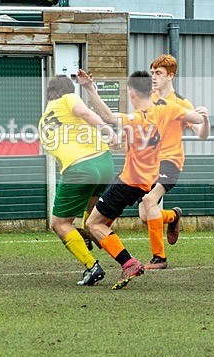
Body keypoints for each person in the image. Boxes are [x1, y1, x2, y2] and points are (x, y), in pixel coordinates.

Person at [78, 70, 204, 289]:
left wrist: (89, 87)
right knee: (104, 222)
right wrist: (200, 114)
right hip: (146, 180)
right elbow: (196, 118)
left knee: (93, 223)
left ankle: (128, 263)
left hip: (130, 181)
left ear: (132, 93)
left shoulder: (136, 118)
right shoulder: (166, 108)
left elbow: (108, 117)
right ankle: (104, 240)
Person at [39, 75, 116, 286]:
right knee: (93, 216)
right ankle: (98, 236)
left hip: (80, 168)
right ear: (68, 90)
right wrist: (107, 130)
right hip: (104, 162)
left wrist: (107, 129)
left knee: (59, 223)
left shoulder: (46, 118)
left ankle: (92, 266)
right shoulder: (68, 99)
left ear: (49, 94)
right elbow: (83, 112)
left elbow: (83, 112)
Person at [141, 54, 211, 269]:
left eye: (158, 73)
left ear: (170, 76)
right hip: (148, 163)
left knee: (150, 200)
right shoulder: (148, 100)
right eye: (152, 73)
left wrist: (206, 119)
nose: (153, 77)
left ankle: (159, 258)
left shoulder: (181, 103)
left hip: (170, 160)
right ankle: (173, 216)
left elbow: (201, 134)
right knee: (145, 215)